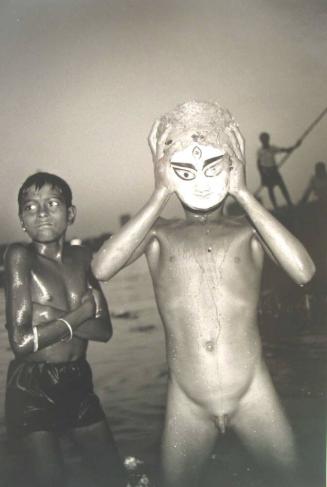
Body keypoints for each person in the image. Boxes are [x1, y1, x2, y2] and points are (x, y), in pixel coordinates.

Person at [92, 101, 315, 487]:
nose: (201, 180)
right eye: (184, 171)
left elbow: (304, 271)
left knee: (294, 478)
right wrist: (160, 192)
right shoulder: (160, 234)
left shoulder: (247, 230)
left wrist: (244, 194)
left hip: (253, 395)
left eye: (214, 166)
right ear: (168, 173)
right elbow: (102, 267)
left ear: (232, 167)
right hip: (187, 404)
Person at [4, 172, 127, 487]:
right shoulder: (19, 257)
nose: (41, 213)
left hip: (77, 380)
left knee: (113, 476)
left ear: (70, 213)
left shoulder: (84, 258)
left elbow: (104, 331)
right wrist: (81, 314)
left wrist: (50, 315)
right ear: (21, 219)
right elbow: (21, 342)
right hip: (31, 386)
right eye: (31, 207)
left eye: (52, 203)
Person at [257, 132, 300, 209]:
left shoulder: (272, 148)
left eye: (267, 139)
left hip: (274, 170)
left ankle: (290, 203)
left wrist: (296, 146)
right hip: (266, 173)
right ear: (261, 141)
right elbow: (259, 165)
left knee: (283, 187)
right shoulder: (260, 151)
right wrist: (262, 176)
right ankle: (275, 207)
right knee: (271, 191)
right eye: (264, 140)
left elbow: (285, 150)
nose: (266, 141)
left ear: (268, 139)